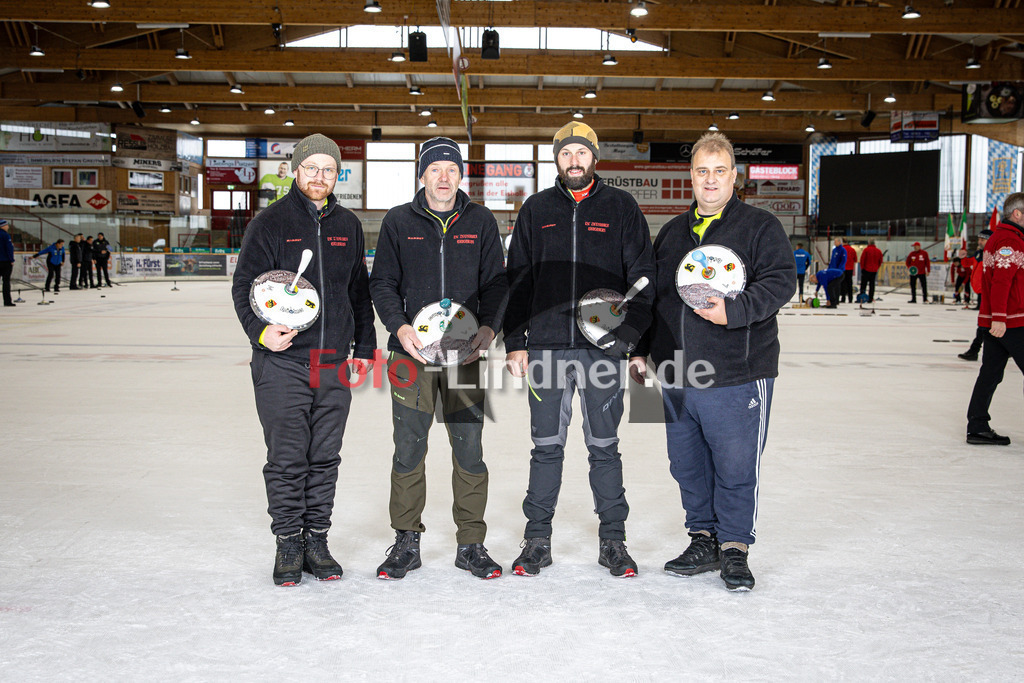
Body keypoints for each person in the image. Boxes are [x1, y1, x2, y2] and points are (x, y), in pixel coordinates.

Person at [631, 132, 795, 591]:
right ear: (691, 176)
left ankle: (735, 548)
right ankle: (703, 537)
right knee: (685, 464)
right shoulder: (671, 233)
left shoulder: (760, 227)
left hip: (737, 372)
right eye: (702, 170)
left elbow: (782, 282)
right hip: (676, 372)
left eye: (719, 170)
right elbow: (655, 298)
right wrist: (640, 349)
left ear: (734, 176)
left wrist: (734, 311)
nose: (710, 179)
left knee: (736, 464)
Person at [503, 121, 655, 578]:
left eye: (581, 153)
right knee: (545, 446)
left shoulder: (621, 207)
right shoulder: (535, 210)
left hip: (604, 350)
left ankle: (614, 541)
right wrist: (515, 343)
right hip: (547, 347)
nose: (574, 160)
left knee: (604, 445)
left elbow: (643, 281)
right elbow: (518, 281)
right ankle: (536, 541)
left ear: (594, 158)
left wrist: (632, 344)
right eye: (566, 153)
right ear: (557, 159)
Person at [232, 133, 376, 586]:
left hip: (333, 359)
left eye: (328, 169)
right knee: (288, 456)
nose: (319, 176)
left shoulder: (348, 225)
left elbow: (359, 291)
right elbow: (244, 289)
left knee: (325, 456)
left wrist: (366, 348)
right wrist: (260, 334)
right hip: (284, 360)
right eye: (311, 167)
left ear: (337, 175)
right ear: (295, 170)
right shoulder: (270, 222)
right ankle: (289, 541)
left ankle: (317, 538)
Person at [369, 137, 508, 581]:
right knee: (409, 447)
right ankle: (406, 541)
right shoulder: (397, 222)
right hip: (409, 356)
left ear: (460, 175)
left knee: (469, 448)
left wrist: (489, 330)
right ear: (422, 175)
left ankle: (471, 542)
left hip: (464, 356)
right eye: (435, 169)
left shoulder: (481, 221)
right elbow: (382, 283)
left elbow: (498, 285)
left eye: (451, 168)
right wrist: (399, 326)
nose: (444, 176)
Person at [965, 193, 1024, 445]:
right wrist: (1000, 318)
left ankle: (977, 426)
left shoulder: (998, 239)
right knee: (989, 374)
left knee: (990, 374)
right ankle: (977, 424)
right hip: (1011, 321)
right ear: (1017, 214)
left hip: (998, 321)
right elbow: (1001, 281)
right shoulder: (1010, 241)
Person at [959, 229, 993, 361]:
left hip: (989, 293)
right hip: (982, 291)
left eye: (982, 240)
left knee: (984, 324)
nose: (979, 242)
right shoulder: (979, 253)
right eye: (979, 239)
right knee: (985, 324)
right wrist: (963, 258)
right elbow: (969, 263)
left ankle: (974, 350)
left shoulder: (994, 255)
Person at [1, 219, 14, 307]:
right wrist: (11, 260)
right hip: (5, 261)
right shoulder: (5, 235)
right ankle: (7, 301)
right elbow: (9, 248)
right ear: (3, 226)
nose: (8, 227)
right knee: (6, 281)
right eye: (7, 225)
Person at [840, 239, 857, 303]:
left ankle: (843, 298)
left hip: (842, 269)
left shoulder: (841, 249)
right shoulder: (852, 250)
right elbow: (855, 260)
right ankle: (850, 298)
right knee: (849, 283)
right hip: (850, 269)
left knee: (843, 283)